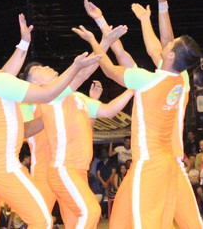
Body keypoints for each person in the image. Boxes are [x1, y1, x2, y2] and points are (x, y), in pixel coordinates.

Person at [0, 14, 102, 229]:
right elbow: (46, 94)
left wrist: (24, 42)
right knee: (42, 220)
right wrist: (75, 66)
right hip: (1, 166)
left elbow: (6, 73)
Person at [74, 20, 203, 228]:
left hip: (149, 162)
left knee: (148, 223)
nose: (166, 43)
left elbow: (109, 69)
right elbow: (125, 56)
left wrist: (93, 40)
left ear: (171, 55)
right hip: (160, 160)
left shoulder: (147, 80)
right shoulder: (180, 81)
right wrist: (104, 24)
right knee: (121, 218)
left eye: (171, 44)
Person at [23, 61, 133, 229]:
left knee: (77, 219)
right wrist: (48, 115)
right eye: (39, 68)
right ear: (34, 84)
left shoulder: (76, 97)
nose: (46, 66)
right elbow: (24, 131)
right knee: (41, 221)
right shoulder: (29, 102)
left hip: (72, 167)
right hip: (46, 168)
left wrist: (94, 101)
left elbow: (91, 126)